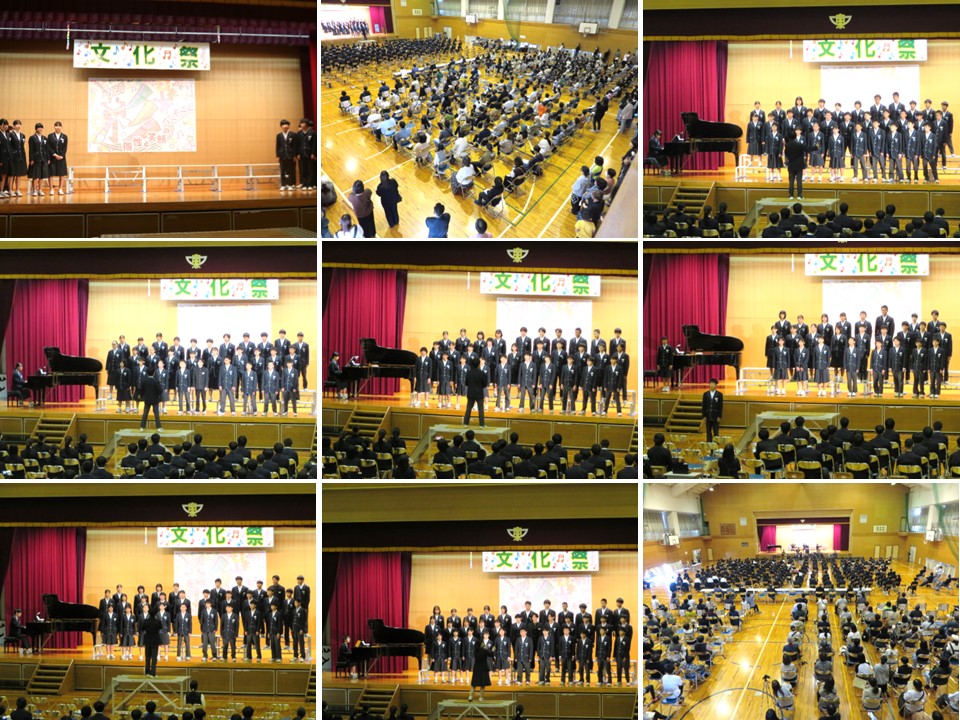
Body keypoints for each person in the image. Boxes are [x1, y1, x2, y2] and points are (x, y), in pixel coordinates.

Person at [462, 358, 487, 427]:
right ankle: (482, 424)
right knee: (481, 409)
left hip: (471, 393)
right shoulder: (482, 373)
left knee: (468, 409)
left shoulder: (469, 373)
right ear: (479, 364)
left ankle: (465, 423)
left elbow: (466, 383)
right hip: (479, 393)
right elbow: (485, 384)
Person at [27, 122, 50, 196]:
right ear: (36, 129)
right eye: (38, 127)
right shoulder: (32, 138)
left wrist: (48, 159)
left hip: (44, 159)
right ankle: (34, 190)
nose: (40, 129)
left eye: (41, 127)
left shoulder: (45, 138)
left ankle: (40, 190)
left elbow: (47, 149)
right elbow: (31, 149)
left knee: (42, 176)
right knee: (35, 176)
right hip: (35, 159)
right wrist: (31, 159)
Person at [48, 121, 68, 195]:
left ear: (61, 127)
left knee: (61, 174)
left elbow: (65, 147)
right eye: (56, 126)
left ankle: (60, 189)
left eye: (59, 126)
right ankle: (51, 189)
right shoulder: (50, 136)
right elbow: (49, 147)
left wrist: (61, 155)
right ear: (54, 127)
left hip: (61, 158)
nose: (58, 127)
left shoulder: (64, 136)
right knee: (51, 174)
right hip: (53, 157)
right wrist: (54, 154)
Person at [141, 606, 162, 677]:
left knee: (147, 657)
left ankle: (147, 672)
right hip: (155, 641)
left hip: (147, 640)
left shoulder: (146, 621)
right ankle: (153, 673)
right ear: (156, 613)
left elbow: (142, 628)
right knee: (154, 657)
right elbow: (160, 627)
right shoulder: (158, 621)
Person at [785, 126, 806, 198]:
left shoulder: (788, 144)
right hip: (799, 165)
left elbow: (786, 154)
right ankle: (799, 195)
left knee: (791, 181)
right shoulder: (799, 145)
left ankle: (791, 195)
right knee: (799, 181)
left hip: (791, 165)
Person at [276, 120, 297, 190]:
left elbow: (294, 146)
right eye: (283, 124)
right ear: (281, 126)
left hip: (290, 155)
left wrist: (295, 155)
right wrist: (277, 155)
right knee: (282, 171)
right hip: (282, 155)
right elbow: (277, 146)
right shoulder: (279, 135)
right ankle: (283, 185)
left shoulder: (293, 134)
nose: (285, 126)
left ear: (288, 126)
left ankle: (290, 184)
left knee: (290, 170)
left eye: (286, 124)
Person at [701, 378, 723, 442]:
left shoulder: (719, 394)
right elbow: (704, 406)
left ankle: (716, 444)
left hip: (715, 416)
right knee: (708, 432)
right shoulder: (705, 394)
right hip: (708, 416)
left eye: (713, 384)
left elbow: (720, 406)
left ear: (716, 385)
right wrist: (704, 416)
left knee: (716, 432)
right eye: (710, 383)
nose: (711, 385)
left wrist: (719, 416)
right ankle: (709, 444)